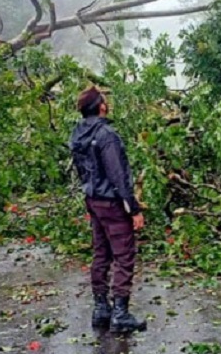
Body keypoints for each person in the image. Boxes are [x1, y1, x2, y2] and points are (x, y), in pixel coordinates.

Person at [69, 86, 147, 334]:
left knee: (101, 252)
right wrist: (133, 209)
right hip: (111, 203)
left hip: (93, 200)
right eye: (105, 100)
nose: (107, 103)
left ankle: (101, 309)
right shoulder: (106, 135)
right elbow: (118, 176)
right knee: (124, 255)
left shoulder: (78, 133)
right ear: (101, 106)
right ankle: (120, 314)